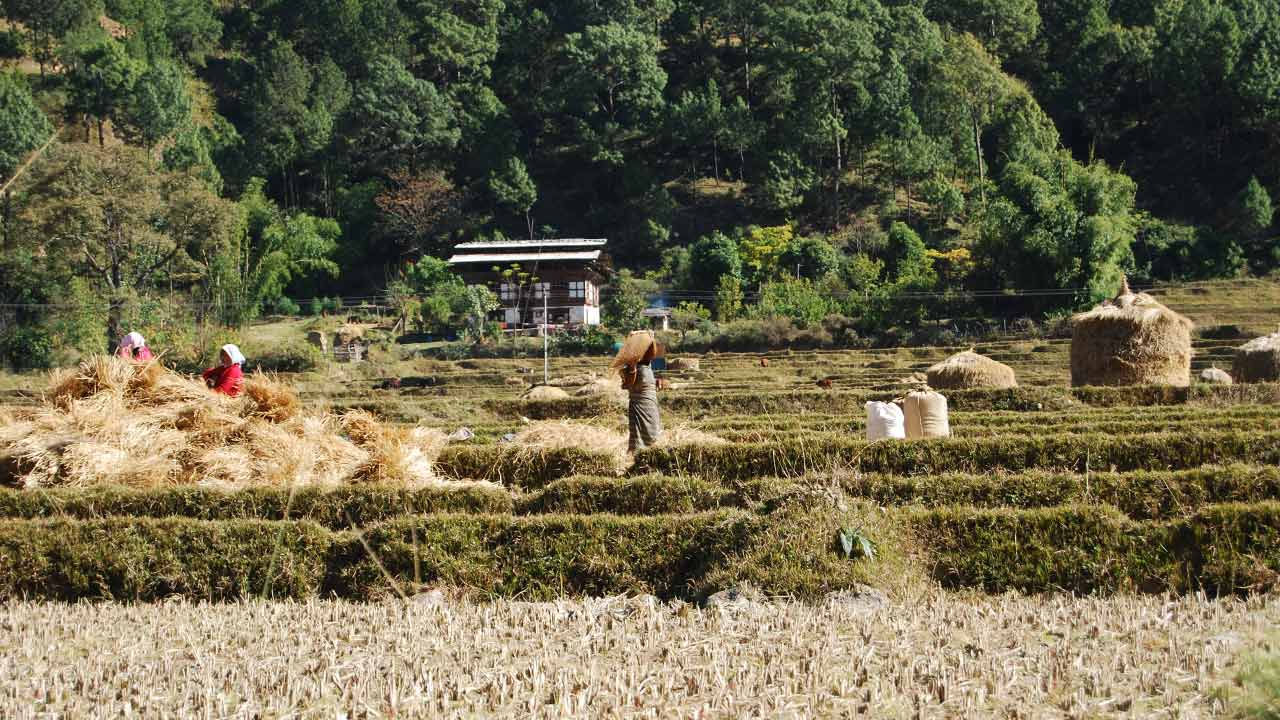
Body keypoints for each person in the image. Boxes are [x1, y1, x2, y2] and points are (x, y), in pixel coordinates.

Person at [613, 331, 663, 453]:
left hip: (651, 405)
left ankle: (650, 456)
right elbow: (627, 384)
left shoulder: (647, 365)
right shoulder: (629, 368)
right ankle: (637, 458)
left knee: (653, 433)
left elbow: (653, 351)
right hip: (640, 406)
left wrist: (656, 382)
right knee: (639, 438)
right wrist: (632, 368)